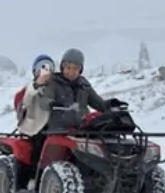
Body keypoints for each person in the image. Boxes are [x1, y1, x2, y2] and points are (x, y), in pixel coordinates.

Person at [17, 48, 115, 184]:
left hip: (80, 129)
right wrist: (51, 103)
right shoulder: (52, 82)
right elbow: (45, 98)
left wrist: (111, 106)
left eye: (75, 68)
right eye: (67, 67)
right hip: (55, 128)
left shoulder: (84, 85)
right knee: (38, 145)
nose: (71, 71)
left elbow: (98, 103)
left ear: (80, 69)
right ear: (62, 66)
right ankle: (33, 177)